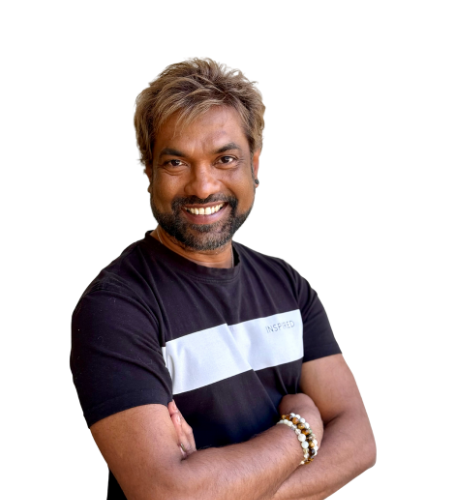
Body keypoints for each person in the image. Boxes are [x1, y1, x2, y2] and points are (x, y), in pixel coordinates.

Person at [69, 56, 376, 499]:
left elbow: (360, 442)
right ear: (148, 170)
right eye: (176, 163)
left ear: (255, 165)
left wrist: (231, 490)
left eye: (225, 159)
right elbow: (169, 494)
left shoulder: (287, 285)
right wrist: (301, 430)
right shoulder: (116, 309)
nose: (203, 186)